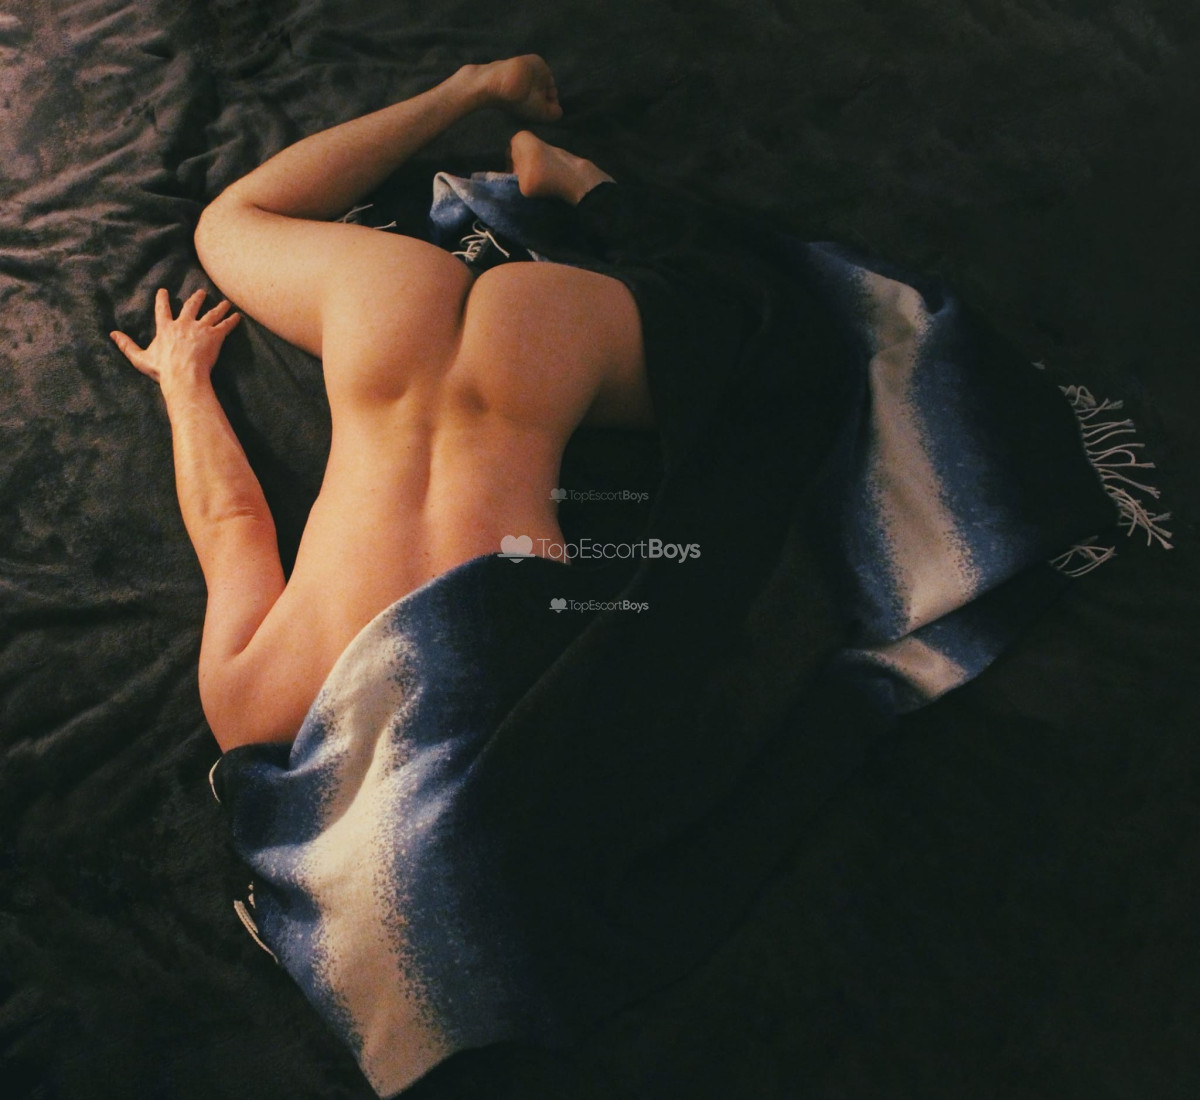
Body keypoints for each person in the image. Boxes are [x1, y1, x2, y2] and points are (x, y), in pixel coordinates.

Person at [110, 55, 655, 753]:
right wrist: (183, 378)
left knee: (739, 324)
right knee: (229, 223)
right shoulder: (255, 712)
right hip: (392, 335)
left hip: (538, 350)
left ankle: (579, 182)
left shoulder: (545, 714)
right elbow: (232, 523)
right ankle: (468, 90)